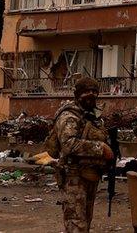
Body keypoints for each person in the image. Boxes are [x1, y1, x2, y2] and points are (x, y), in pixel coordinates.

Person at [50, 76, 113, 233]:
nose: (91, 95)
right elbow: (69, 144)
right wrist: (101, 148)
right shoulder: (69, 116)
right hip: (73, 176)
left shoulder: (92, 116)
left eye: (94, 91)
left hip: (90, 174)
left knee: (85, 220)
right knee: (76, 223)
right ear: (78, 94)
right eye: (86, 92)